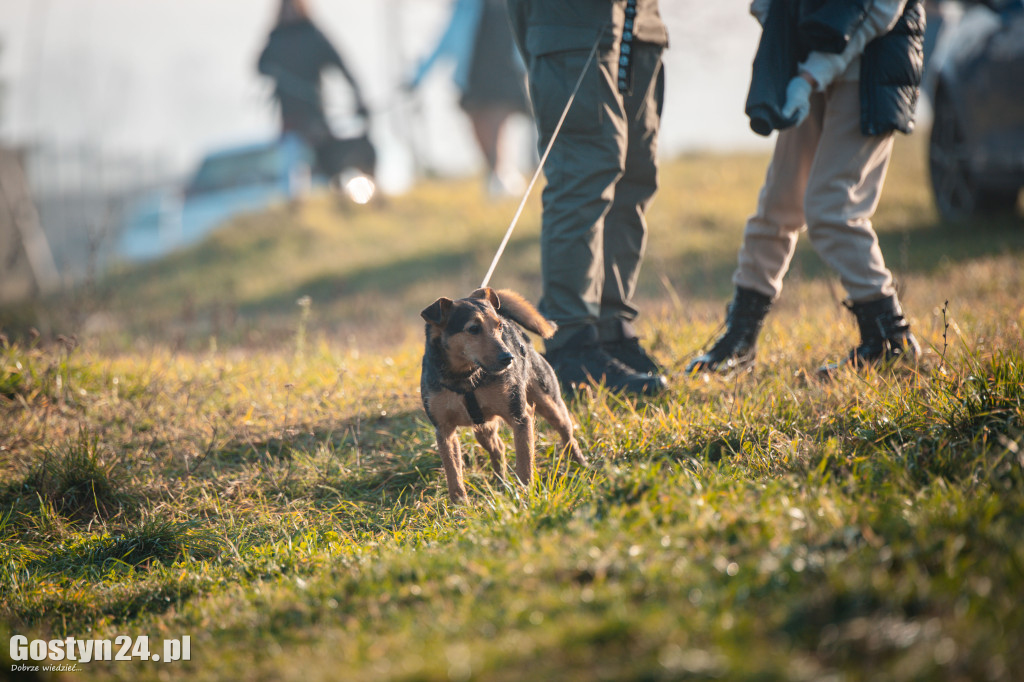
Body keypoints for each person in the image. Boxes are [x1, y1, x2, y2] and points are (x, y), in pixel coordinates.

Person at [687, 0, 925, 378]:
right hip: (809, 64)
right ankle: (740, 339)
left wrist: (812, 75)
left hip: (870, 66)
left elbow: (880, 11)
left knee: (831, 210)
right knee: (779, 203)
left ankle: (889, 341)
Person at [507, 0, 670, 396]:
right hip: (573, 18)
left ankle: (609, 328)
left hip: (640, 20)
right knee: (584, 173)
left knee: (635, 172)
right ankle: (572, 344)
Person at [409, 0, 531, 197]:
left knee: (496, 122)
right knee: (479, 124)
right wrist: (418, 76)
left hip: (505, 70)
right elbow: (445, 39)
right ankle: (496, 174)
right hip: (474, 72)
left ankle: (501, 175)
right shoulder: (465, 5)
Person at [257, 0, 375, 182]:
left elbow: (342, 65)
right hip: (289, 120)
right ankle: (297, 204)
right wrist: (275, 72)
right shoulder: (276, 38)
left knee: (325, 167)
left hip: (316, 117)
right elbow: (259, 65)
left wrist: (358, 96)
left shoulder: (313, 36)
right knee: (292, 171)